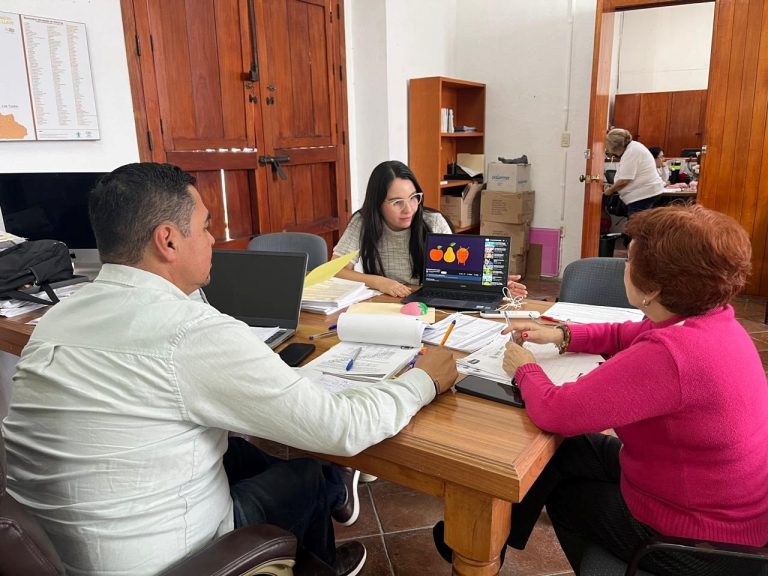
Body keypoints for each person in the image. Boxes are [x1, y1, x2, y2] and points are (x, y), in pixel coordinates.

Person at [1, 162, 459, 576]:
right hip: (170, 561)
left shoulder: (58, 316)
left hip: (59, 551)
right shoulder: (190, 331)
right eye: (205, 228)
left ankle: (324, 531)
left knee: (246, 452)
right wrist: (425, 379)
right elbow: (341, 428)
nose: (213, 239)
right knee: (309, 471)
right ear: (168, 240)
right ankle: (320, 558)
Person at [472, 204, 766, 576]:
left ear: (653, 288)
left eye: (630, 261)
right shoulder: (708, 320)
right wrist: (564, 334)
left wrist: (523, 367)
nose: (624, 266)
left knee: (561, 493)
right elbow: (624, 333)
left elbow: (556, 411)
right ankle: (485, 548)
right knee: (563, 454)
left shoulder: (671, 355)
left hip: (697, 543)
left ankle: (483, 551)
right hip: (716, 504)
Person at [334, 160, 528, 299]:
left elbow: (459, 272)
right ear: (377, 204)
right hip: (382, 301)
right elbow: (336, 270)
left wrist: (495, 285)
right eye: (396, 202)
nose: (408, 209)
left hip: (426, 303)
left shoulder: (432, 222)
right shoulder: (363, 222)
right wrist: (379, 282)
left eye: (413, 197)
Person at [603, 129, 664, 217]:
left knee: (635, 226)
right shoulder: (634, 147)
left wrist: (610, 190)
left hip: (642, 195)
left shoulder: (631, 152)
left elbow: (625, 180)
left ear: (616, 147)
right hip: (645, 193)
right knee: (637, 225)